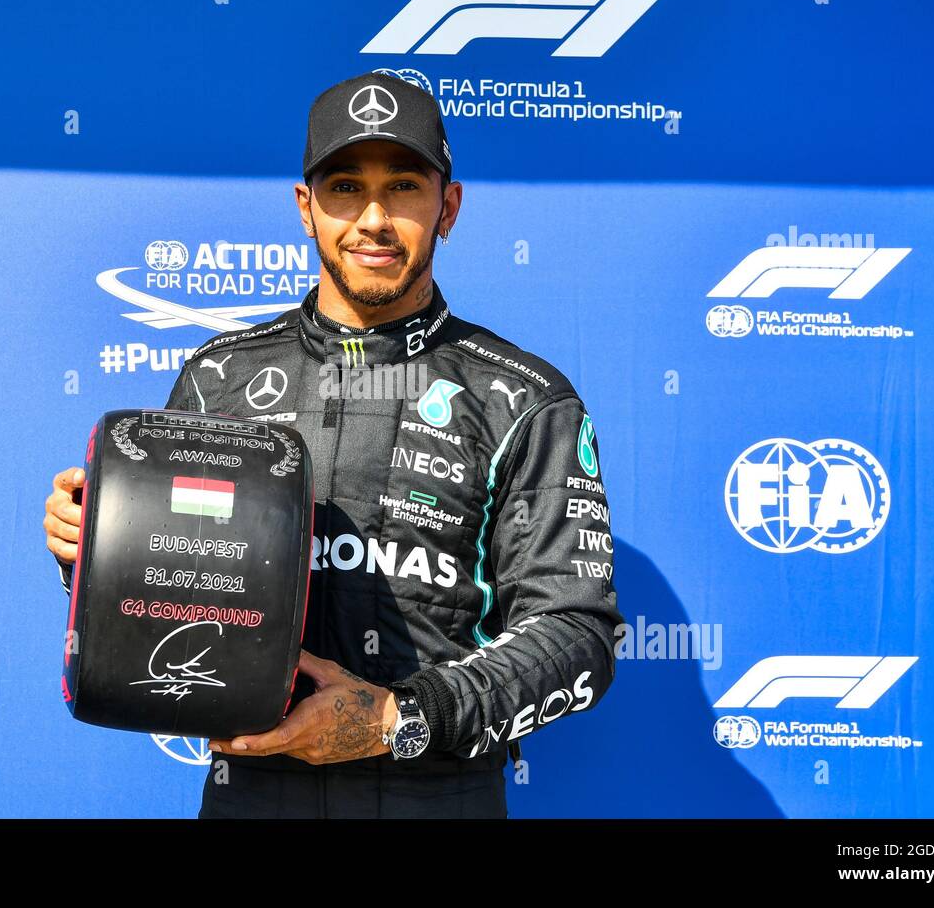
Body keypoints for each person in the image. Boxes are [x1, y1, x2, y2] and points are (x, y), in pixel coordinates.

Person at [44, 71, 624, 818]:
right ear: (305, 208)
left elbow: (578, 634)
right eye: (345, 187)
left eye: (405, 187)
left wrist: (395, 721)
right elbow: (163, 591)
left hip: (437, 796)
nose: (374, 219)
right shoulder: (221, 377)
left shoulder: (525, 398)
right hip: (249, 798)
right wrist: (91, 551)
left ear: (447, 207)